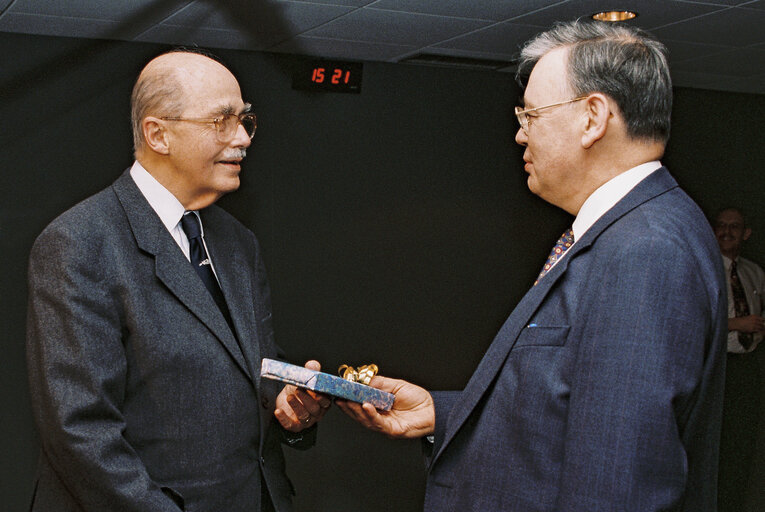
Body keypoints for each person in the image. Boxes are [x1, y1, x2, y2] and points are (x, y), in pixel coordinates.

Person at [338, 20, 727, 511]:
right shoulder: (631, 231)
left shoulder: (645, 249)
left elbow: (617, 482)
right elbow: (576, 406)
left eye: (532, 115)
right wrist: (443, 412)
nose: (521, 136)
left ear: (593, 118)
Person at [26, 49, 329, 512]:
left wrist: (288, 407)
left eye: (245, 119)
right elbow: (80, 433)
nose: (244, 137)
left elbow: (251, 372)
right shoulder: (79, 243)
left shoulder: (237, 242)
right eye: (221, 121)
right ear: (157, 134)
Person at [713, 207, 765, 512]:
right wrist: (736, 324)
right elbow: (693, 320)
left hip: (747, 368)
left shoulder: (754, 272)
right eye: (721, 225)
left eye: (734, 227)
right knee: (715, 442)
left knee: (741, 442)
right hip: (716, 364)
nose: (726, 231)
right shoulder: (704, 266)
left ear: (745, 234)